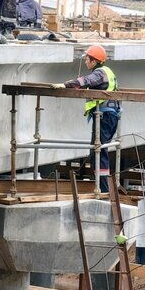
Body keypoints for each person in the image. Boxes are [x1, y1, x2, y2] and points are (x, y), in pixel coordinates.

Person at [49, 45, 120, 192]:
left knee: (98, 152)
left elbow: (86, 81)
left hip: (104, 116)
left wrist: (65, 85)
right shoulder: (107, 72)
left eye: (87, 59)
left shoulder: (99, 73)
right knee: (98, 151)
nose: (86, 61)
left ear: (94, 61)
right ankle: (102, 186)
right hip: (109, 115)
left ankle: (103, 189)